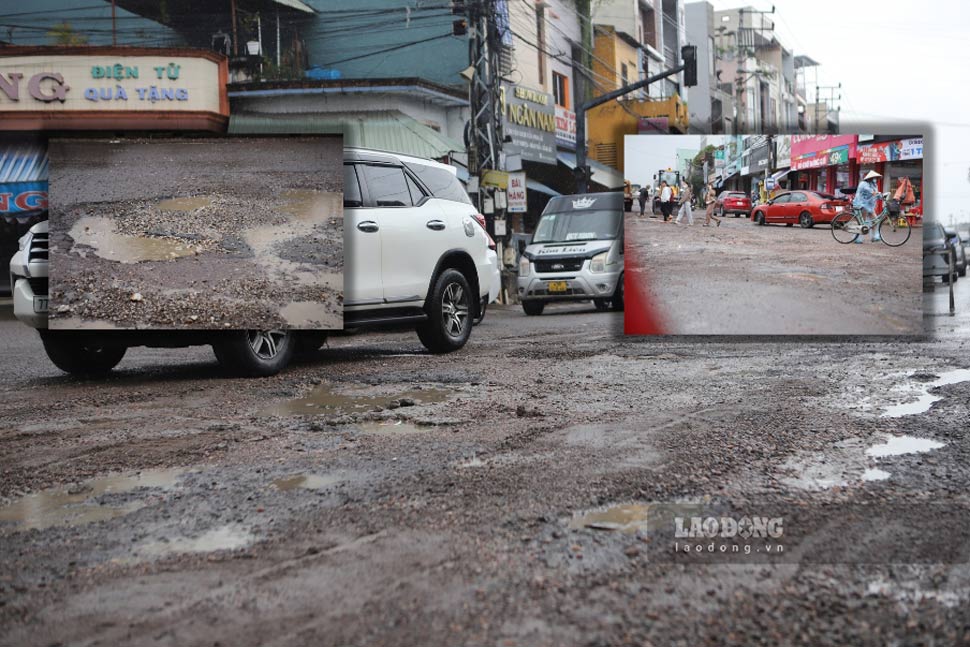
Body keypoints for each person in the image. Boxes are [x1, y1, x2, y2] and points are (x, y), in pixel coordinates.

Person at [853, 170, 882, 243]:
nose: (875, 179)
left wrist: (882, 196)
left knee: (875, 220)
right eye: (874, 177)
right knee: (862, 223)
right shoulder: (863, 184)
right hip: (861, 205)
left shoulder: (874, 185)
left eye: (875, 178)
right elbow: (870, 191)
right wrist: (876, 193)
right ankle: (857, 238)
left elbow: (876, 194)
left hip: (870, 206)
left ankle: (875, 236)